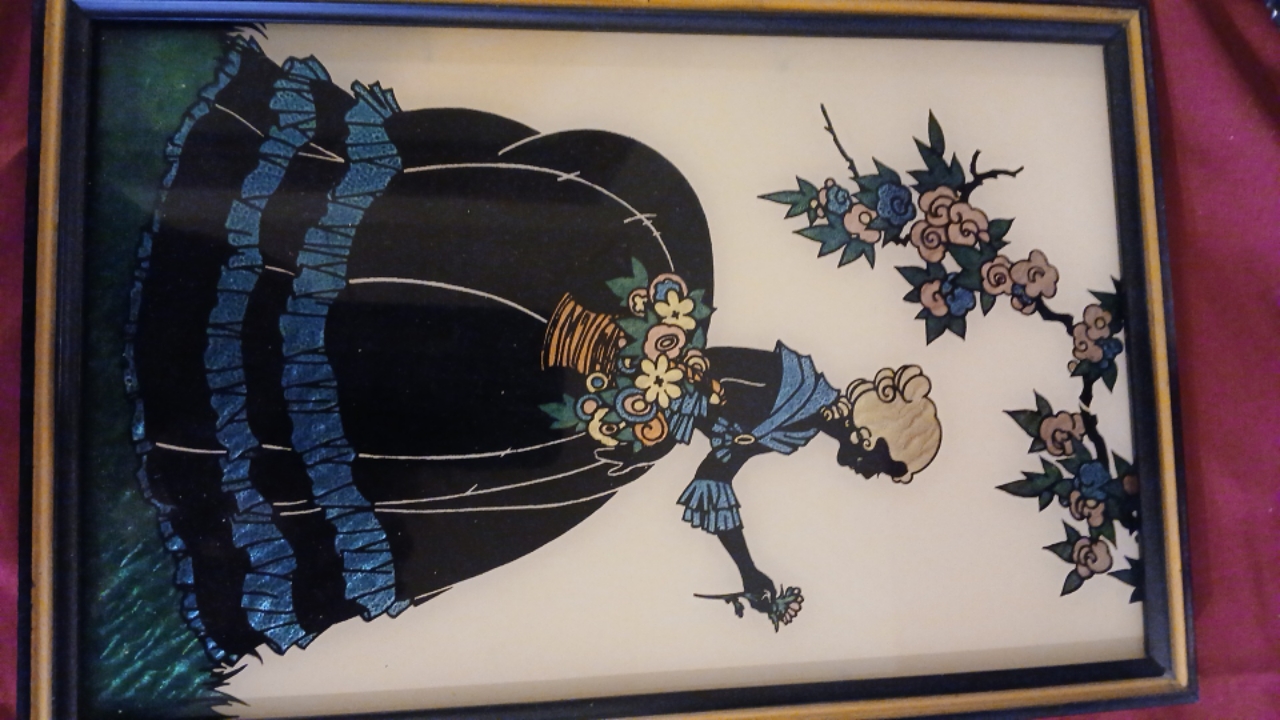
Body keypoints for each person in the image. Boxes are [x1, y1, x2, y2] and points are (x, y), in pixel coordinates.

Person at [127, 36, 941, 665]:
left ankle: (221, 410)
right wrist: (662, 387)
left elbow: (721, 461)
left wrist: (748, 568)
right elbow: (710, 377)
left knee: (448, 436)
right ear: (872, 433)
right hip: (634, 367)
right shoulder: (797, 387)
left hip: (637, 410)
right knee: (451, 335)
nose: (866, 467)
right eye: (880, 459)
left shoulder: (799, 423)